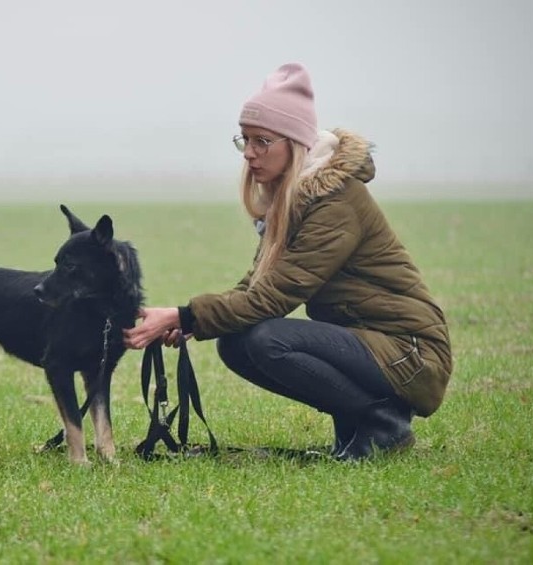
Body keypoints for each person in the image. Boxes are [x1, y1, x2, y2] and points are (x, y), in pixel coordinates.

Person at [123, 63, 453, 460]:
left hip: (409, 352)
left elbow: (277, 297)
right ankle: (361, 427)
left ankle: (382, 425)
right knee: (237, 342)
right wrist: (194, 321)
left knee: (266, 339)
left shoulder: (336, 201)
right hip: (368, 343)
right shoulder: (292, 199)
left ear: (294, 144)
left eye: (262, 141)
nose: (249, 154)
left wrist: (183, 315)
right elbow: (256, 286)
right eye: (244, 140)